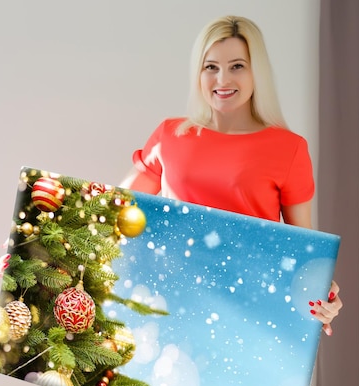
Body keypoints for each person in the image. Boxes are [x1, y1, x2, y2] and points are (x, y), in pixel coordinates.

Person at [120, 15, 342, 335]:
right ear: (198, 73)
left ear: (257, 72)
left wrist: (324, 295)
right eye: (211, 67)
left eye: (237, 66)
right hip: (170, 308)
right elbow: (112, 209)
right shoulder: (170, 134)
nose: (222, 79)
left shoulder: (289, 148)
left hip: (249, 316)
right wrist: (38, 247)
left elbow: (301, 248)